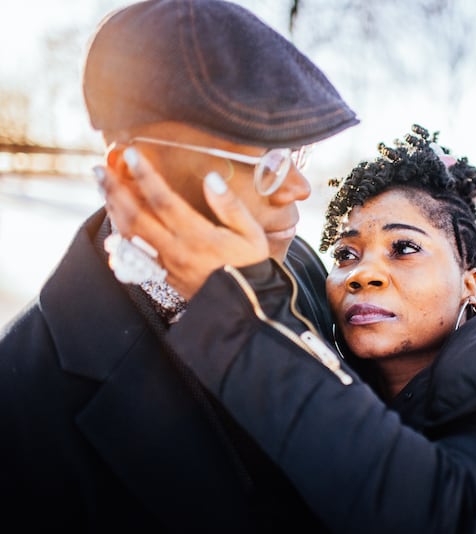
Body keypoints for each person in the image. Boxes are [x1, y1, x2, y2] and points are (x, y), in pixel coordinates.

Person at [99, 124, 476, 533]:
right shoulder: (329, 363)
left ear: (469, 280)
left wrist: (248, 323)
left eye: (404, 248)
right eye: (346, 255)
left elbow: (450, 516)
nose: (363, 273)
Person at [0, 0, 359, 530]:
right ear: (137, 170)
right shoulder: (20, 399)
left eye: (295, 154)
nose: (299, 188)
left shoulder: (301, 262)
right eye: (265, 165)